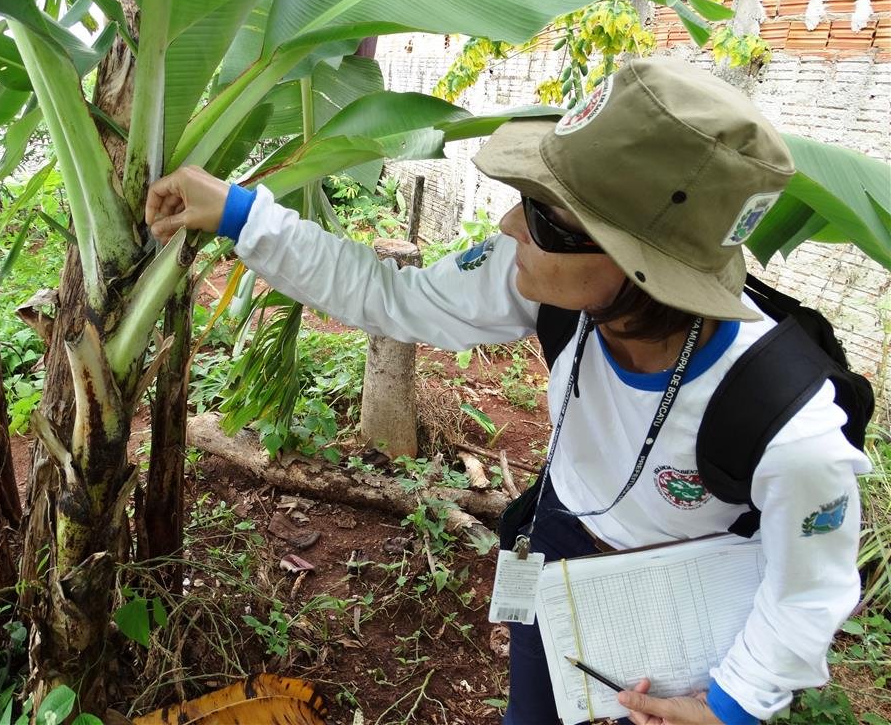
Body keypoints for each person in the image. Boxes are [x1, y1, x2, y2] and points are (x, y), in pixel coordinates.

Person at [144, 58, 867, 725]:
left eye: (549, 218)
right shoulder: (544, 282)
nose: (510, 223)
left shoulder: (784, 424)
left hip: (685, 601)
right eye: (529, 196)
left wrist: (728, 708)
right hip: (557, 539)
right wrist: (241, 213)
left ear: (642, 268)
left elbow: (807, 590)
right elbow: (388, 294)